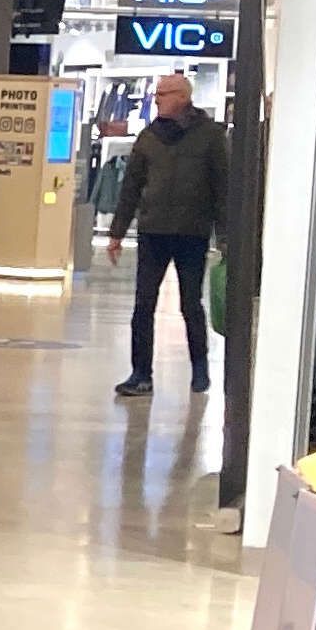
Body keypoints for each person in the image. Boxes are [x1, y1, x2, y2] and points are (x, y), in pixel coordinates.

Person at [109, 72, 229, 397]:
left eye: (163, 94)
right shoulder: (148, 137)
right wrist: (117, 232)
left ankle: (200, 369)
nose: (157, 99)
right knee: (143, 304)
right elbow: (131, 187)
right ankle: (140, 374)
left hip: (192, 231)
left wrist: (225, 236)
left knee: (191, 304)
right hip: (153, 231)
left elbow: (223, 188)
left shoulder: (210, 136)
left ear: (182, 97)